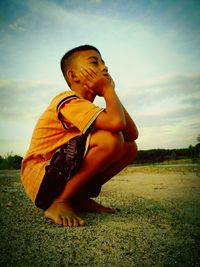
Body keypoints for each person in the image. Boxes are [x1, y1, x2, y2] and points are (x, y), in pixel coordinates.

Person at [21, 45, 138, 227]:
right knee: (111, 139)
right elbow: (116, 124)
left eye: (104, 63)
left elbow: (132, 134)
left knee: (129, 147)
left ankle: (78, 198)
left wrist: (111, 91)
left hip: (58, 174)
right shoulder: (67, 100)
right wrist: (107, 91)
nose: (104, 67)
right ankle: (59, 202)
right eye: (94, 62)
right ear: (73, 76)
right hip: (43, 179)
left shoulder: (90, 111)